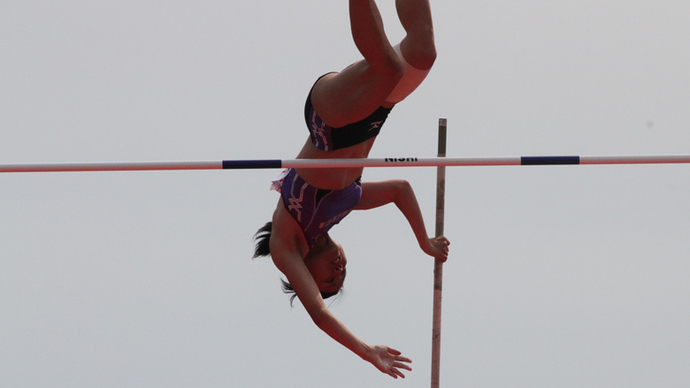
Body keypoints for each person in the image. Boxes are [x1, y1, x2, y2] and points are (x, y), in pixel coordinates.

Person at [253, 0, 449, 379]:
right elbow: (400, 190)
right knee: (423, 50)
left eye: (329, 277)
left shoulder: (286, 244)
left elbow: (320, 314)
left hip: (332, 119)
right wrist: (424, 241)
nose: (339, 269)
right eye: (344, 274)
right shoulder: (344, 206)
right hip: (373, 114)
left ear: (307, 276)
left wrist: (365, 351)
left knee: (390, 68)